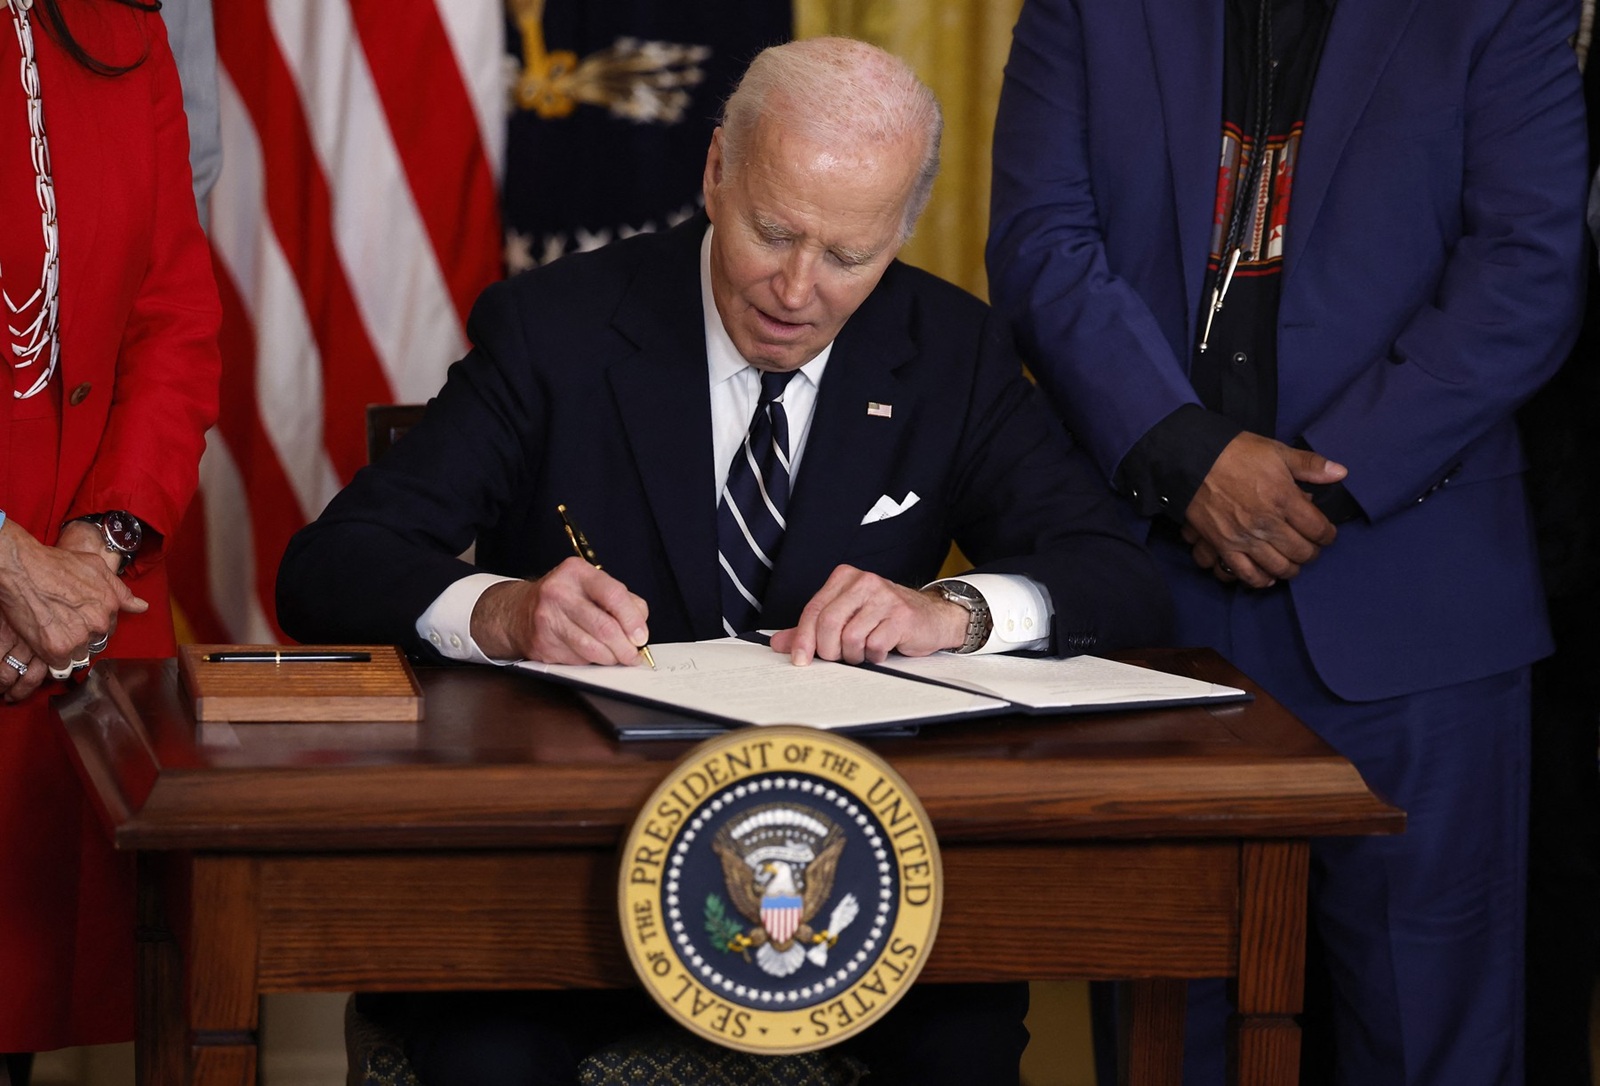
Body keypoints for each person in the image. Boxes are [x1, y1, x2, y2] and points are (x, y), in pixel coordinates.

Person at [277, 35, 1169, 1086]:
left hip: (854, 879)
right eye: (772, 232)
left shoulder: (952, 352)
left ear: (902, 232)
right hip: (568, 874)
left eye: (847, 257)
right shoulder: (555, 328)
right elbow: (329, 568)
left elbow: (1120, 577)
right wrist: (502, 610)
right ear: (714, 173)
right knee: (486, 1056)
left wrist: (957, 613)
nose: (796, 289)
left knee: (963, 1045)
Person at [986, 0, 1587, 1084]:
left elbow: (1529, 267)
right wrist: (1187, 459)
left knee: (1431, 1048)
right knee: (1169, 1045)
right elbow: (1039, 243)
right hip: (1152, 598)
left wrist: (1319, 485)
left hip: (1415, 600)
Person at [0, 1, 222, 1083]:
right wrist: (6, 561)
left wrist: (95, 551)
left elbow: (174, 310)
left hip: (70, 626)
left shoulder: (124, 27)